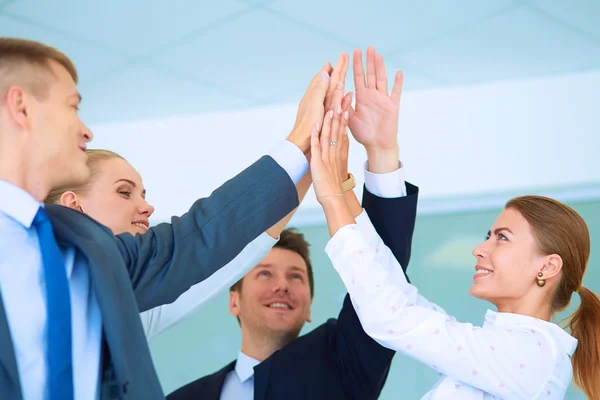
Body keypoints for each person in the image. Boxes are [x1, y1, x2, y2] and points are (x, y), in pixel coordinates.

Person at [0, 37, 331, 399]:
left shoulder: (99, 257)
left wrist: (304, 143)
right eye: (72, 106)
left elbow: (203, 239)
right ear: (21, 107)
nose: (86, 130)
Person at [309, 60, 600, 399]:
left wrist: (330, 195)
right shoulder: (508, 350)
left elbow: (392, 317)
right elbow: (398, 297)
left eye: (502, 238)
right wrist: (370, 161)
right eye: (488, 236)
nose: (480, 249)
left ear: (547, 266)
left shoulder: (532, 356)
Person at [168, 47, 419, 400]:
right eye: (265, 273)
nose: (282, 286)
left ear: (310, 306)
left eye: (296, 277)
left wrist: (381, 153)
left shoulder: (344, 360)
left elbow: (382, 280)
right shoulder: (182, 399)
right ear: (233, 301)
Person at [45, 149, 311, 340]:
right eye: (125, 192)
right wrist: (297, 146)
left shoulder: (134, 306)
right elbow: (199, 238)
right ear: (74, 205)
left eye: (143, 195)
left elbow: (239, 250)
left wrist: (312, 159)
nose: (147, 207)